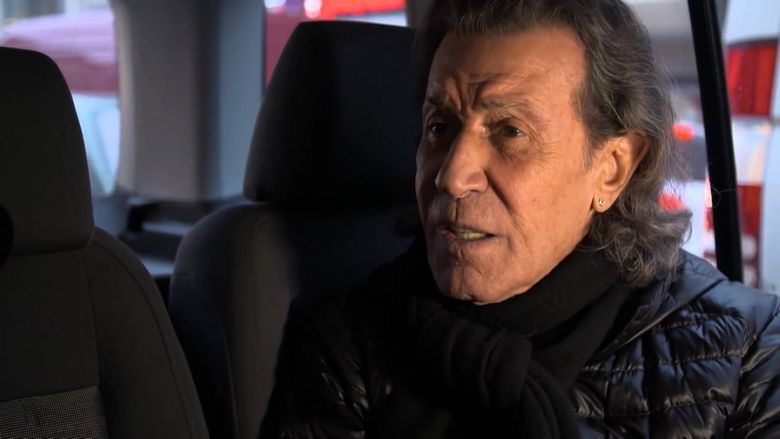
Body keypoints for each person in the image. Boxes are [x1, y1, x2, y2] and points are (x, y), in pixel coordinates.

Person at [261, 0, 780, 437]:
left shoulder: (748, 355)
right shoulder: (347, 347)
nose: (452, 176)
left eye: (510, 131)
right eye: (439, 127)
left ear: (611, 169)